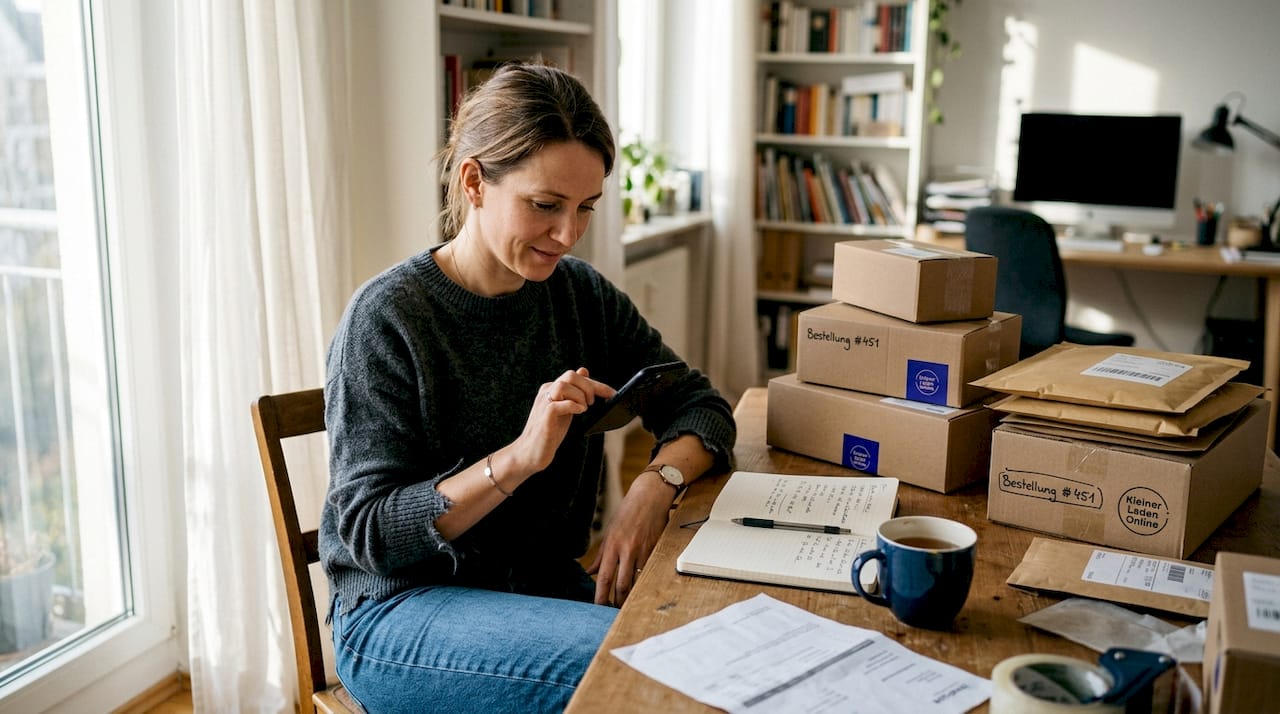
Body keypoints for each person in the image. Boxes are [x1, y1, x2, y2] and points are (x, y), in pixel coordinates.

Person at [320, 63, 736, 714]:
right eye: (545, 206)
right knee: (651, 663)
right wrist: (520, 459)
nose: (567, 234)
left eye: (585, 210)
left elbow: (700, 405)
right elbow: (371, 534)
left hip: (538, 593)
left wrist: (655, 489)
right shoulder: (387, 319)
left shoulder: (579, 295)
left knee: (705, 638)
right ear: (474, 181)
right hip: (399, 612)